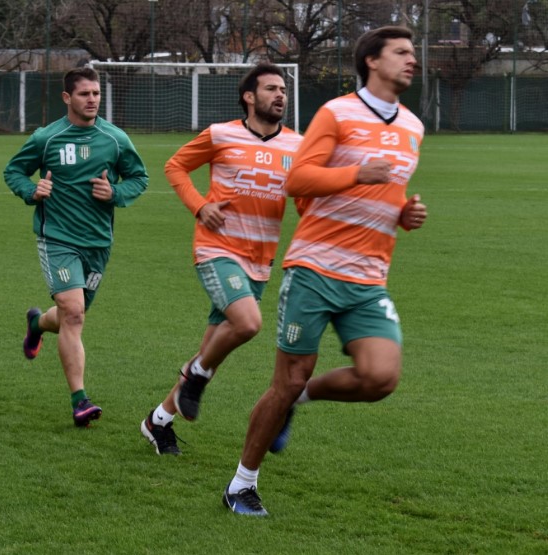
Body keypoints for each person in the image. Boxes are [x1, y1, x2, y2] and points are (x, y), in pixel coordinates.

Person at [223, 26, 428, 515]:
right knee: (286, 379)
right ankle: (241, 485)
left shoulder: (414, 127)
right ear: (372, 62)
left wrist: (403, 213)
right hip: (314, 268)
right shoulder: (337, 113)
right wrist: (357, 172)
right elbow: (298, 178)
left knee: (381, 378)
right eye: (401, 53)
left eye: (413, 53)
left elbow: (387, 190)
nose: (411, 60)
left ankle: (302, 399)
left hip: (369, 276)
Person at [139, 63, 302, 455]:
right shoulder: (220, 134)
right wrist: (200, 206)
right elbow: (175, 166)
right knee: (247, 324)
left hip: (260, 260)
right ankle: (196, 375)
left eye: (283, 89)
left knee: (212, 346)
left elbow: (309, 194)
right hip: (217, 250)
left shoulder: (298, 145)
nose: (281, 95)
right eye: (271, 89)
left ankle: (158, 421)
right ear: (249, 97)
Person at [4, 67, 148, 427]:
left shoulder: (114, 139)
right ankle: (80, 400)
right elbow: (14, 172)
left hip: (98, 242)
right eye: (85, 94)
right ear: (68, 98)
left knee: (70, 316)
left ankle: (37, 323)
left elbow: (139, 177)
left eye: (96, 93)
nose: (92, 100)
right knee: (74, 312)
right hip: (57, 238)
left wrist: (114, 193)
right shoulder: (46, 139)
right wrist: (31, 190)